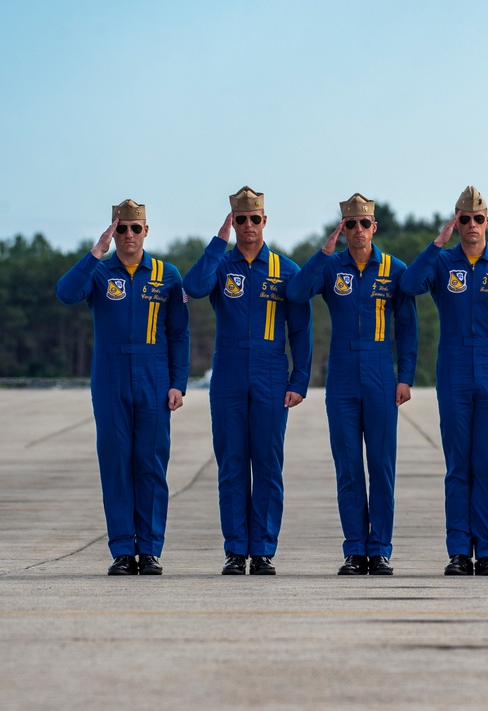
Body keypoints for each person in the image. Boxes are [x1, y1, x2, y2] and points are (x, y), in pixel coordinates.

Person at [399, 185, 488, 576]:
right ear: (456, 223)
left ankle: (486, 550)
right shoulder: (442, 264)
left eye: (477, 219)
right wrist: (438, 242)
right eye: (464, 220)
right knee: (458, 466)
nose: (471, 226)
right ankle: (458, 549)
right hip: (453, 372)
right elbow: (408, 286)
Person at [55, 199, 189, 576]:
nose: (128, 235)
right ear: (113, 232)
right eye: (121, 229)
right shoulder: (99, 272)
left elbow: (179, 334)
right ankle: (121, 550)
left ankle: (149, 549)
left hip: (154, 376)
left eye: (135, 228)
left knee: (150, 464)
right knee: (115, 464)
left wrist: (178, 382)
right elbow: (66, 293)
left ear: (147, 230)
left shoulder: (167, 274)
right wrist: (96, 252)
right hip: (110, 376)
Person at [183, 186, 312, 576]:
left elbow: (301, 332)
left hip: (272, 374)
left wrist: (299, 380)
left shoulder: (287, 271)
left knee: (268, 464)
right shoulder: (221, 267)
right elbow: (193, 287)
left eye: (255, 219)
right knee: (232, 464)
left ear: (265, 221)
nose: (249, 226)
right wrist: (217, 243)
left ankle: (264, 549)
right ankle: (237, 550)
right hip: (229, 375)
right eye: (241, 220)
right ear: (233, 222)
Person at [286, 193, 417, 576]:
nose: (357, 231)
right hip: (341, 375)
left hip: (380, 371)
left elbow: (407, 329)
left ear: (374, 227)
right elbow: (296, 292)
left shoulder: (394, 269)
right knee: (347, 468)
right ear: (342, 229)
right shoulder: (330, 268)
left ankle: (380, 550)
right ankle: (354, 550)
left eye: (363, 224)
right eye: (349, 225)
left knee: (381, 467)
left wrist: (406, 377)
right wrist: (325, 251)